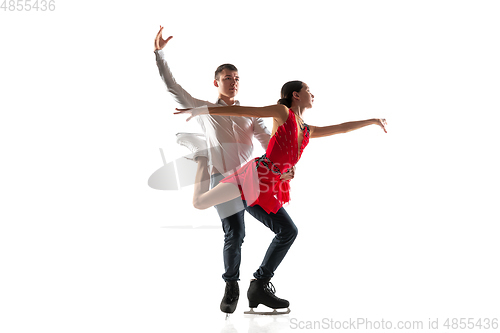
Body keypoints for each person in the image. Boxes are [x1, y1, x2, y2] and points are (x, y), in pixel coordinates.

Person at [175, 80, 387, 313]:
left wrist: (372, 121)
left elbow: (342, 127)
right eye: (309, 91)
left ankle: (259, 285)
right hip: (253, 177)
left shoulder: (307, 129)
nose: (312, 95)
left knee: (288, 231)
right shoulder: (282, 112)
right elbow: (244, 111)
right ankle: (202, 157)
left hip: (269, 186)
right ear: (295, 95)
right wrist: (204, 110)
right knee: (199, 203)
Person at [153, 26, 295, 315]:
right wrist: (159, 53)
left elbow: (269, 143)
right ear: (216, 82)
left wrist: (283, 168)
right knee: (236, 232)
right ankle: (231, 285)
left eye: (237, 78)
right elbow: (173, 88)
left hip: (252, 181)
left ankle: (261, 284)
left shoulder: (250, 113)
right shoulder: (206, 110)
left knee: (287, 230)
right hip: (224, 181)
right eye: (228, 78)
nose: (234, 82)